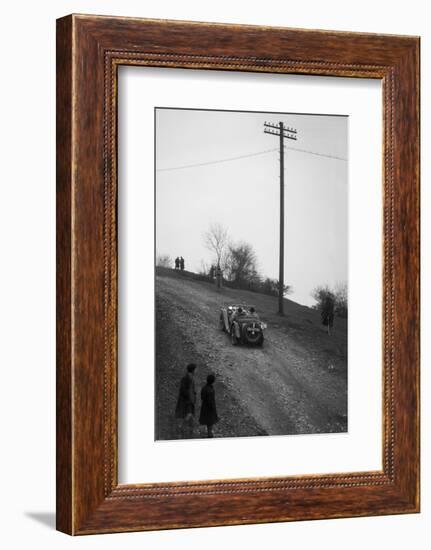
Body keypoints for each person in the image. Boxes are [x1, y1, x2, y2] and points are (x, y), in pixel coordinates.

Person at [175, 363, 197, 437]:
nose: (196, 371)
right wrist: (191, 398)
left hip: (187, 400)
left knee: (187, 416)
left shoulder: (189, 377)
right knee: (186, 416)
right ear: (193, 370)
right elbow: (185, 390)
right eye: (195, 369)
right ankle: (181, 432)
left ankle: (186, 432)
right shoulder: (187, 378)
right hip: (186, 401)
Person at [199, 374, 219, 438]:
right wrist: (213, 409)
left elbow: (202, 397)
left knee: (207, 422)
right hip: (209, 408)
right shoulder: (210, 390)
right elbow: (211, 401)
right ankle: (210, 435)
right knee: (210, 423)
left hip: (204, 407)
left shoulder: (204, 388)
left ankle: (208, 433)